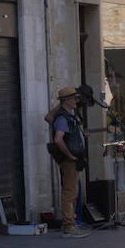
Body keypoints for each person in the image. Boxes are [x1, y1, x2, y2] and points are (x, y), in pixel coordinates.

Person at [46, 86, 89, 238]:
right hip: (69, 160)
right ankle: (69, 225)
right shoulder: (63, 117)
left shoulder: (70, 116)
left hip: (74, 158)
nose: (77, 101)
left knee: (73, 191)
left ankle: (71, 223)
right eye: (74, 98)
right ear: (67, 100)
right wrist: (69, 155)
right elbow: (58, 139)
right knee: (70, 192)